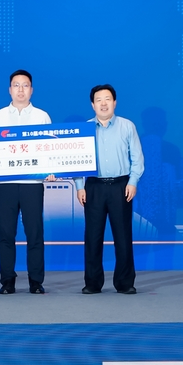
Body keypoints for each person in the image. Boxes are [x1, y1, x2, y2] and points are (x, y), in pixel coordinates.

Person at [0, 69, 51, 294]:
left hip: (33, 185)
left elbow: (50, 149)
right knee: (6, 234)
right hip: (5, 185)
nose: (20, 90)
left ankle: (36, 281)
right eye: (16, 85)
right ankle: (7, 281)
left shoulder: (42, 117)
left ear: (31, 90)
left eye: (25, 85)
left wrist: (52, 170)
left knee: (35, 234)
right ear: (10, 89)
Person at [75, 84, 144, 294]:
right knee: (93, 237)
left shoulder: (127, 126)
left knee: (123, 237)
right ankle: (92, 283)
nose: (103, 103)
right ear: (92, 105)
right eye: (98, 100)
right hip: (93, 187)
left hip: (121, 186)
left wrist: (133, 182)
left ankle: (125, 282)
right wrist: (79, 186)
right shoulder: (84, 129)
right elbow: (76, 161)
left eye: (107, 99)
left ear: (115, 102)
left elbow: (137, 158)